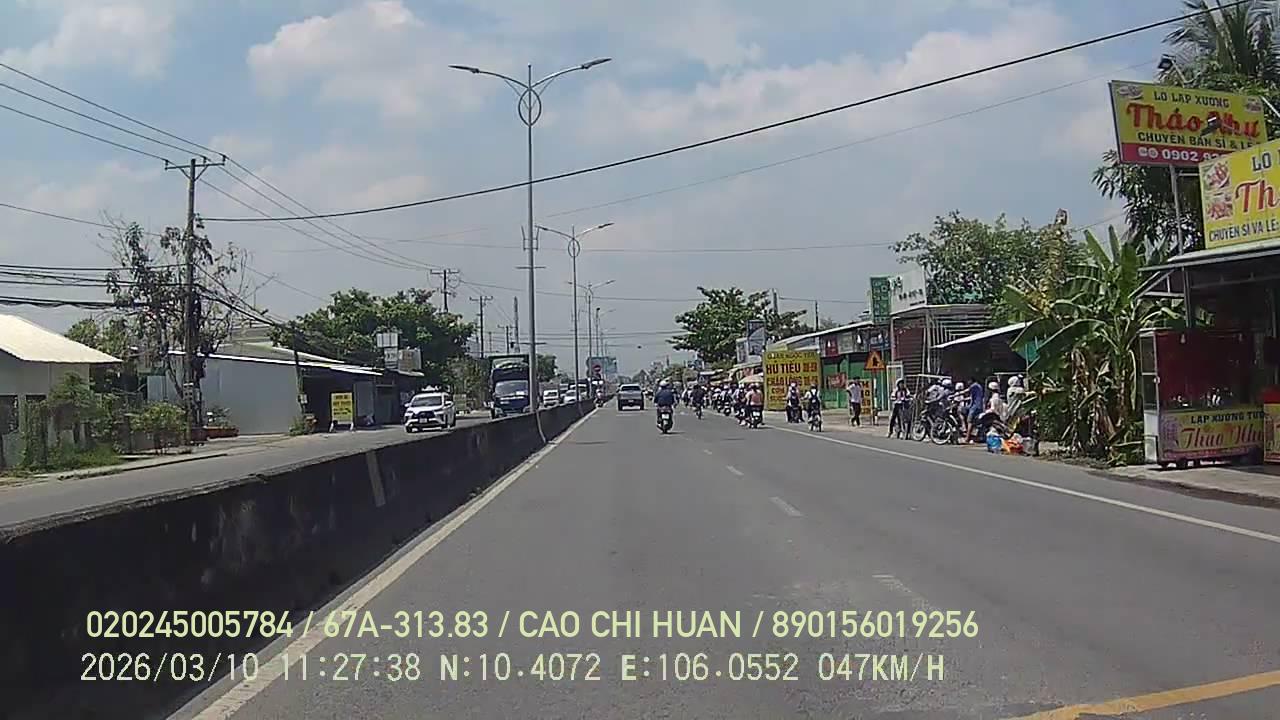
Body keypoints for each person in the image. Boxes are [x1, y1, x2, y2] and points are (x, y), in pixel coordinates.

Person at [966, 377, 984, 442]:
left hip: (975, 406)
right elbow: (972, 397)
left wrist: (955, 395)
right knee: (975, 422)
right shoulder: (978, 386)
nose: (967, 382)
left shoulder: (974, 386)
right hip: (979, 406)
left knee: (969, 421)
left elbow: (966, 391)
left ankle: (967, 438)